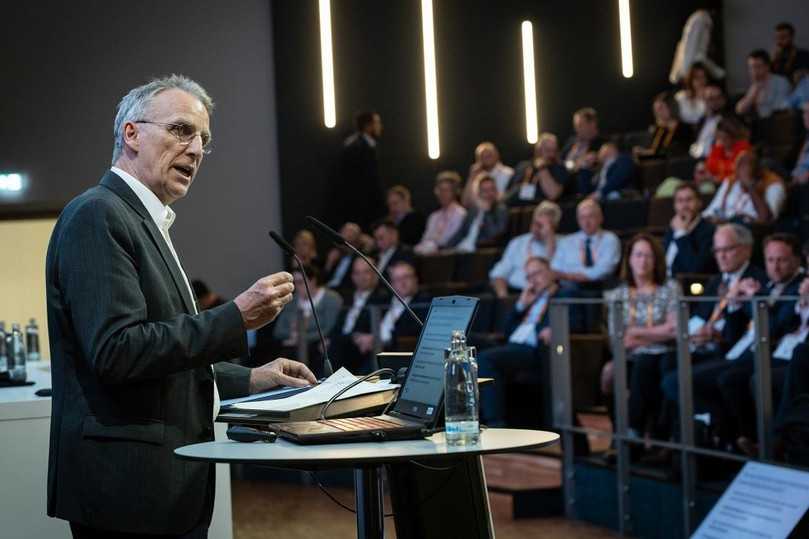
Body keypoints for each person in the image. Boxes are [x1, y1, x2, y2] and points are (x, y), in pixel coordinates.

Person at [45, 75, 317, 537]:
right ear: (131, 133)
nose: (195, 149)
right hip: (128, 491)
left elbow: (163, 359)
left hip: (161, 488)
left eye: (203, 140)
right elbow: (117, 352)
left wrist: (248, 377)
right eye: (180, 130)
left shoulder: (145, 222)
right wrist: (235, 317)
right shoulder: (98, 215)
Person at [661, 225, 767, 442]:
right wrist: (693, 333)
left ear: (746, 250)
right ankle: (671, 437)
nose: (722, 256)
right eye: (717, 251)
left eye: (728, 249)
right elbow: (699, 316)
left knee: (676, 378)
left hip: (729, 349)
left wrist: (716, 333)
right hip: (703, 345)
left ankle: (711, 429)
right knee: (666, 360)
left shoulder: (757, 280)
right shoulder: (715, 281)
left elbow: (750, 327)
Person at [713, 234, 804, 455]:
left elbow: (773, 328)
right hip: (744, 350)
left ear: (797, 260)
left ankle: (754, 441)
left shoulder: (800, 288)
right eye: (770, 260)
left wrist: (756, 298)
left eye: (781, 260)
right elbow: (730, 333)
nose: (775, 267)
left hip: (777, 354)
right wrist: (735, 303)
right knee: (686, 376)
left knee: (733, 379)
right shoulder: (764, 284)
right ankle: (727, 440)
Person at [478, 257, 581, 427]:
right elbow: (506, 331)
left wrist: (556, 328)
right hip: (512, 346)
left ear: (550, 271)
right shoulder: (528, 299)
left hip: (533, 350)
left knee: (485, 359)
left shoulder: (565, 294)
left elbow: (577, 321)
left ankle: (495, 422)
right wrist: (520, 305)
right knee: (470, 346)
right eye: (529, 276)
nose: (533, 279)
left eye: (537, 273)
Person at [601, 234, 680, 443]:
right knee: (615, 372)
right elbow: (617, 339)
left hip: (665, 352)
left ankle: (640, 433)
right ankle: (625, 430)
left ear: (656, 260)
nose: (643, 261)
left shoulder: (670, 288)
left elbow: (675, 331)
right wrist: (657, 333)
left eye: (648, 256)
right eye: (638, 255)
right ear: (629, 259)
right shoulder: (617, 295)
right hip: (630, 354)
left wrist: (636, 333)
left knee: (651, 365)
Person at [272, 264, 343, 374]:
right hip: (292, 345)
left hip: (316, 345)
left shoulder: (331, 299)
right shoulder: (292, 301)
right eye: (294, 283)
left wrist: (301, 338)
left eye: (300, 282)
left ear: (312, 280)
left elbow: (329, 328)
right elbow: (278, 330)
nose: (296, 287)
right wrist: (292, 336)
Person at [327, 257, 389, 374]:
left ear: (375, 274)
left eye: (366, 272)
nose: (361, 277)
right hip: (341, 344)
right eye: (357, 273)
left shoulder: (382, 298)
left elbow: (378, 327)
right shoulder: (347, 298)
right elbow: (338, 325)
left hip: (360, 349)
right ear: (352, 276)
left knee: (336, 347)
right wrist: (328, 338)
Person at [351, 261, 429, 353]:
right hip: (367, 349)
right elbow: (360, 325)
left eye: (406, 277)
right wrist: (360, 337)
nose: (403, 282)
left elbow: (412, 332)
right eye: (397, 279)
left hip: (394, 351)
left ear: (415, 279)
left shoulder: (424, 303)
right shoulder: (382, 300)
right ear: (391, 284)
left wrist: (376, 340)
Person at [489, 201, 562, 298]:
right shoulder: (518, 242)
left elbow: (555, 275)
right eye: (535, 223)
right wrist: (503, 298)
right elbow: (499, 274)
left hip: (547, 296)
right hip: (515, 294)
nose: (536, 228)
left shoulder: (562, 243)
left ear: (553, 227)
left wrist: (549, 241)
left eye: (541, 225)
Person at [552, 199, 621, 290]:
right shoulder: (566, 242)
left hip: (601, 289)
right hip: (569, 291)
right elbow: (555, 269)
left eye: (590, 216)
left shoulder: (610, 239)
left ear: (600, 217)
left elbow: (604, 270)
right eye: (582, 217)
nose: (586, 222)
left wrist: (570, 275)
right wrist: (575, 277)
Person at [702, 150, 787, 224]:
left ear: (758, 170)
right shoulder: (732, 181)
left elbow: (766, 220)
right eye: (740, 167)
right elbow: (711, 210)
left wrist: (750, 186)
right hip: (724, 226)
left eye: (747, 167)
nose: (742, 172)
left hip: (752, 232)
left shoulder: (773, 184)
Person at [334, 111, 386, 230]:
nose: (380, 127)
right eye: (377, 123)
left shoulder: (355, 145)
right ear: (368, 126)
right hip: (362, 209)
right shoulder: (358, 148)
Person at [664, 183, 717, 277]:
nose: (684, 205)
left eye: (689, 200)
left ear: (699, 203)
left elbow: (695, 269)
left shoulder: (709, 231)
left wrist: (681, 234)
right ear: (674, 205)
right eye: (680, 201)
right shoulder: (672, 228)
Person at [505, 132, 569, 205]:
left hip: (542, 207)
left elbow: (553, 194)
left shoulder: (559, 168)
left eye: (554, 150)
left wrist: (542, 169)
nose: (552, 154)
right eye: (548, 150)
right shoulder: (523, 166)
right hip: (515, 207)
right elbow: (509, 191)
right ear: (538, 150)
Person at [447, 175, 508, 251]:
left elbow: (494, 235)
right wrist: (446, 247)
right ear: (479, 194)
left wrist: (487, 212)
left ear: (496, 192)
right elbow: (461, 232)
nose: (489, 194)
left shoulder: (500, 209)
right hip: (463, 248)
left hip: (481, 250)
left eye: (492, 190)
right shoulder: (473, 210)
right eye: (485, 191)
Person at [414, 171, 467, 255]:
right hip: (429, 258)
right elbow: (425, 239)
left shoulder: (460, 214)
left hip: (449, 258)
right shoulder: (433, 216)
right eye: (440, 190)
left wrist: (432, 245)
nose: (442, 194)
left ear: (455, 192)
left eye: (446, 190)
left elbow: (449, 241)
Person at [669, 9, 725, 84]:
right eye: (699, 78)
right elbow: (689, 45)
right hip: (691, 66)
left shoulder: (703, 19)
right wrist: (685, 71)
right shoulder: (699, 19)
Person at [633, 92, 692, 160]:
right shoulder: (660, 129)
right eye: (656, 110)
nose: (657, 114)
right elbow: (653, 149)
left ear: (671, 107)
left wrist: (646, 154)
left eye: (660, 108)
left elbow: (671, 153)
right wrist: (642, 151)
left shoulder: (684, 129)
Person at [735, 49, 791, 120]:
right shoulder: (755, 85)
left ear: (767, 66)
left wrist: (762, 97)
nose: (753, 71)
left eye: (757, 67)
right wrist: (752, 96)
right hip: (761, 124)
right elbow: (739, 110)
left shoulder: (781, 82)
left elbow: (780, 110)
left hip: (777, 123)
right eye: (751, 67)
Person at [703, 116, 752, 184]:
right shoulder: (718, 147)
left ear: (733, 137)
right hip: (719, 184)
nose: (721, 141)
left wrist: (719, 173)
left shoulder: (743, 148)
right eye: (719, 137)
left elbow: (737, 171)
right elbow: (709, 167)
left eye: (725, 138)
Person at [690, 84, 729, 159]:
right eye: (711, 98)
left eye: (718, 98)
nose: (715, 102)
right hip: (696, 159)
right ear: (704, 101)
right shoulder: (700, 121)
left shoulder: (728, 121)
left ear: (723, 100)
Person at [561, 108, 606, 174]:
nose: (576, 129)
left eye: (580, 125)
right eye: (575, 126)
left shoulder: (603, 145)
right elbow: (561, 160)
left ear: (592, 124)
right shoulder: (571, 141)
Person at [324, 222, 362, 292]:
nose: (345, 236)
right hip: (327, 290)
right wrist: (329, 263)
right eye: (343, 233)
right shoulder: (335, 255)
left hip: (344, 293)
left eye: (350, 234)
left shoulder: (359, 258)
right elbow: (322, 280)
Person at [792, 102, 809, 184]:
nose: (804, 116)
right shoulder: (806, 137)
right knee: (768, 163)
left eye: (807, 113)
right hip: (797, 179)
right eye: (804, 113)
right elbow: (799, 163)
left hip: (805, 184)